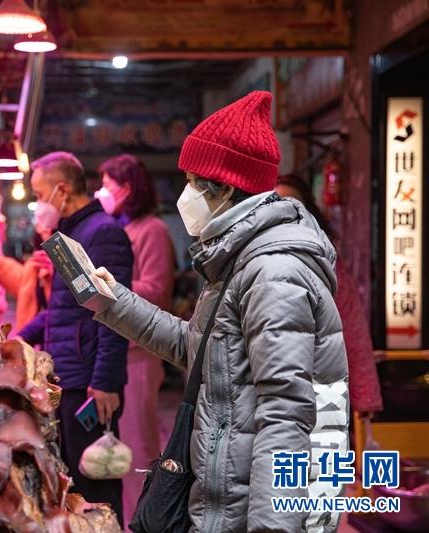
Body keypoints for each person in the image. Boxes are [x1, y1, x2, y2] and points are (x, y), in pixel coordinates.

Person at [92, 91, 349, 532]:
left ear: (227, 188)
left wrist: (271, 529)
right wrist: (111, 300)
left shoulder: (273, 272)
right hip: (225, 500)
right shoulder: (238, 258)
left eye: (194, 182)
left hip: (249, 513)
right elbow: (201, 351)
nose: (186, 194)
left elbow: (285, 413)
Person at [18, 151, 133, 525]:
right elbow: (64, 309)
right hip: (68, 377)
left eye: (39, 194)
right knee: (73, 487)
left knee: (96, 485)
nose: (38, 204)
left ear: (62, 191)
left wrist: (105, 381)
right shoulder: (72, 235)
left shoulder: (103, 233)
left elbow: (114, 313)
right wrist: (19, 339)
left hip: (88, 384)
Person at [96, 154, 176, 525]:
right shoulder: (125, 228)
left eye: (107, 186)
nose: (101, 193)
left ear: (126, 189)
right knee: (120, 450)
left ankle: (146, 522)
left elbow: (157, 291)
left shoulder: (152, 230)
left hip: (141, 353)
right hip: (121, 349)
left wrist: (108, 284)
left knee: (139, 448)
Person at [275, 174, 382, 415]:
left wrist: (365, 400)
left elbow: (354, 334)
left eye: (293, 207)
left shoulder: (331, 269)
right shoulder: (247, 266)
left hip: (322, 397)